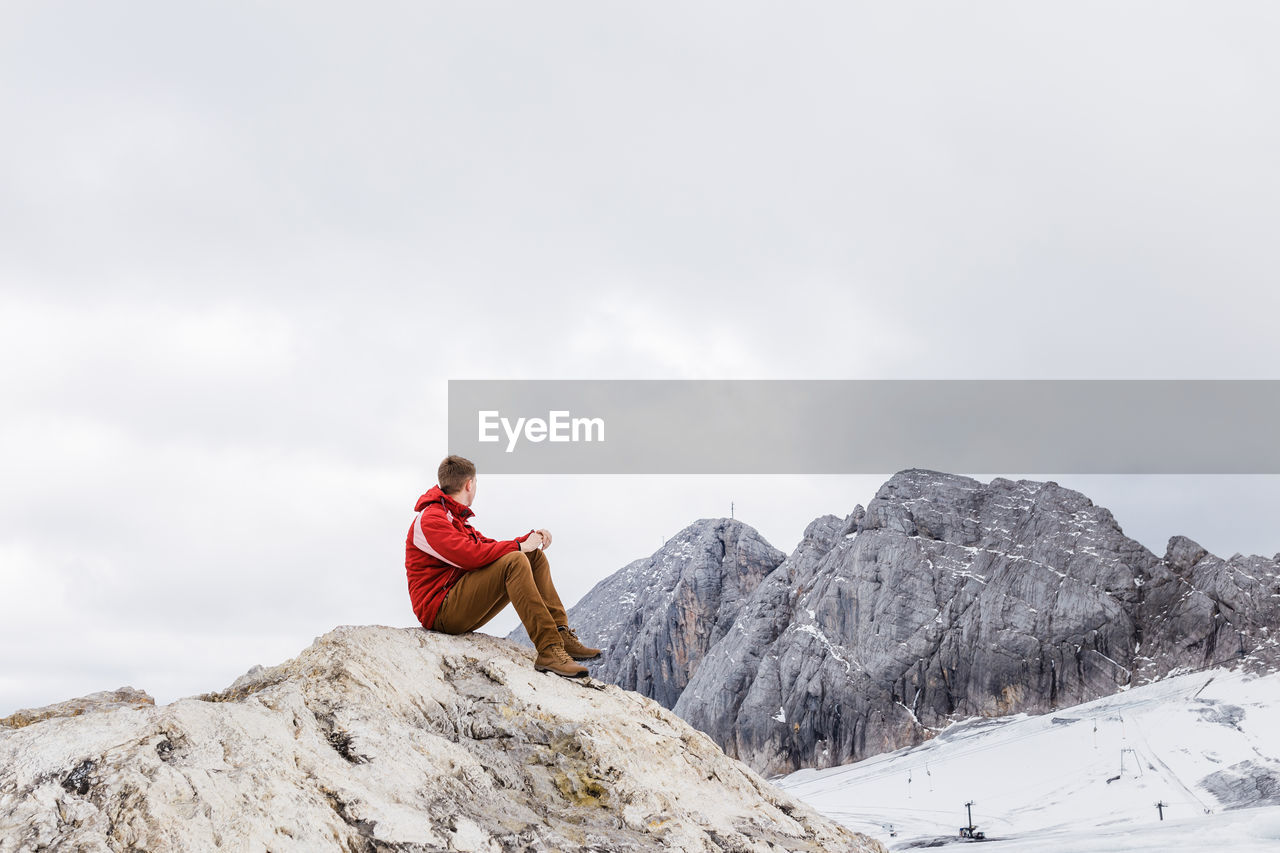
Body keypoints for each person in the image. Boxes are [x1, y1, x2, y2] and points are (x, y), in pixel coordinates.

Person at [405, 454, 602, 679]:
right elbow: (470, 556)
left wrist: (529, 539)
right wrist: (518, 545)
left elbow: (488, 546)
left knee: (531, 557)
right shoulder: (431, 519)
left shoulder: (455, 519)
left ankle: (560, 635)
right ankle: (548, 650)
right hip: (440, 611)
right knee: (516, 559)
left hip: (456, 601)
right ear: (469, 484)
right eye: (476, 482)